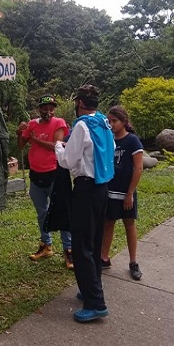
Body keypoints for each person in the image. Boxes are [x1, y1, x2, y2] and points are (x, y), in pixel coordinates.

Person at [55, 85, 115, 322]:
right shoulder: (103, 122)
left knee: (81, 246)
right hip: (102, 187)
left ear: (79, 103)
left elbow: (68, 161)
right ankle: (90, 288)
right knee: (94, 240)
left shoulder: (81, 125)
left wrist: (59, 145)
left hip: (86, 189)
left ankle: (96, 303)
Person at [17, 95, 74, 269]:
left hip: (55, 173)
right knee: (42, 212)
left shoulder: (59, 123)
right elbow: (20, 145)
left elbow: (56, 145)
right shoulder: (32, 124)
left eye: (51, 108)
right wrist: (19, 132)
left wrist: (35, 140)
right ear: (39, 109)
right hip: (36, 175)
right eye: (44, 108)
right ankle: (46, 245)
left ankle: (69, 250)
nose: (48, 111)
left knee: (62, 211)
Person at [101, 106, 144, 280]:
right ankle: (104, 258)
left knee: (129, 224)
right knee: (108, 223)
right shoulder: (109, 139)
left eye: (114, 121)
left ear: (124, 122)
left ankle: (133, 262)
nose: (111, 125)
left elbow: (138, 168)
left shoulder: (132, 141)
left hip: (126, 192)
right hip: (110, 190)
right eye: (109, 121)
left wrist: (130, 193)